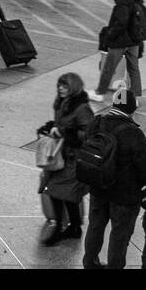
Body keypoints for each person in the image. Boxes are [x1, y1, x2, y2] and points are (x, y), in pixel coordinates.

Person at [82, 88, 146, 270]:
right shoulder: (133, 133)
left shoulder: (97, 122)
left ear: (114, 104)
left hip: (98, 188)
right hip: (124, 196)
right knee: (119, 235)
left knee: (95, 227)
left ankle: (89, 262)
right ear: (132, 109)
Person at [35, 72, 95, 247]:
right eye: (59, 85)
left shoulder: (81, 107)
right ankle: (74, 227)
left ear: (73, 88)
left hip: (73, 157)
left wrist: (65, 133)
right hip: (61, 155)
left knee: (55, 191)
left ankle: (60, 230)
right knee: (68, 194)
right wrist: (52, 127)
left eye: (65, 86)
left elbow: (88, 133)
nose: (60, 88)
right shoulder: (62, 103)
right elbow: (61, 124)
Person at [96, 0, 146, 99]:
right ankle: (135, 96)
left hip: (121, 39)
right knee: (134, 68)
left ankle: (100, 93)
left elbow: (121, 21)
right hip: (135, 38)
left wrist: (110, 35)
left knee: (109, 67)